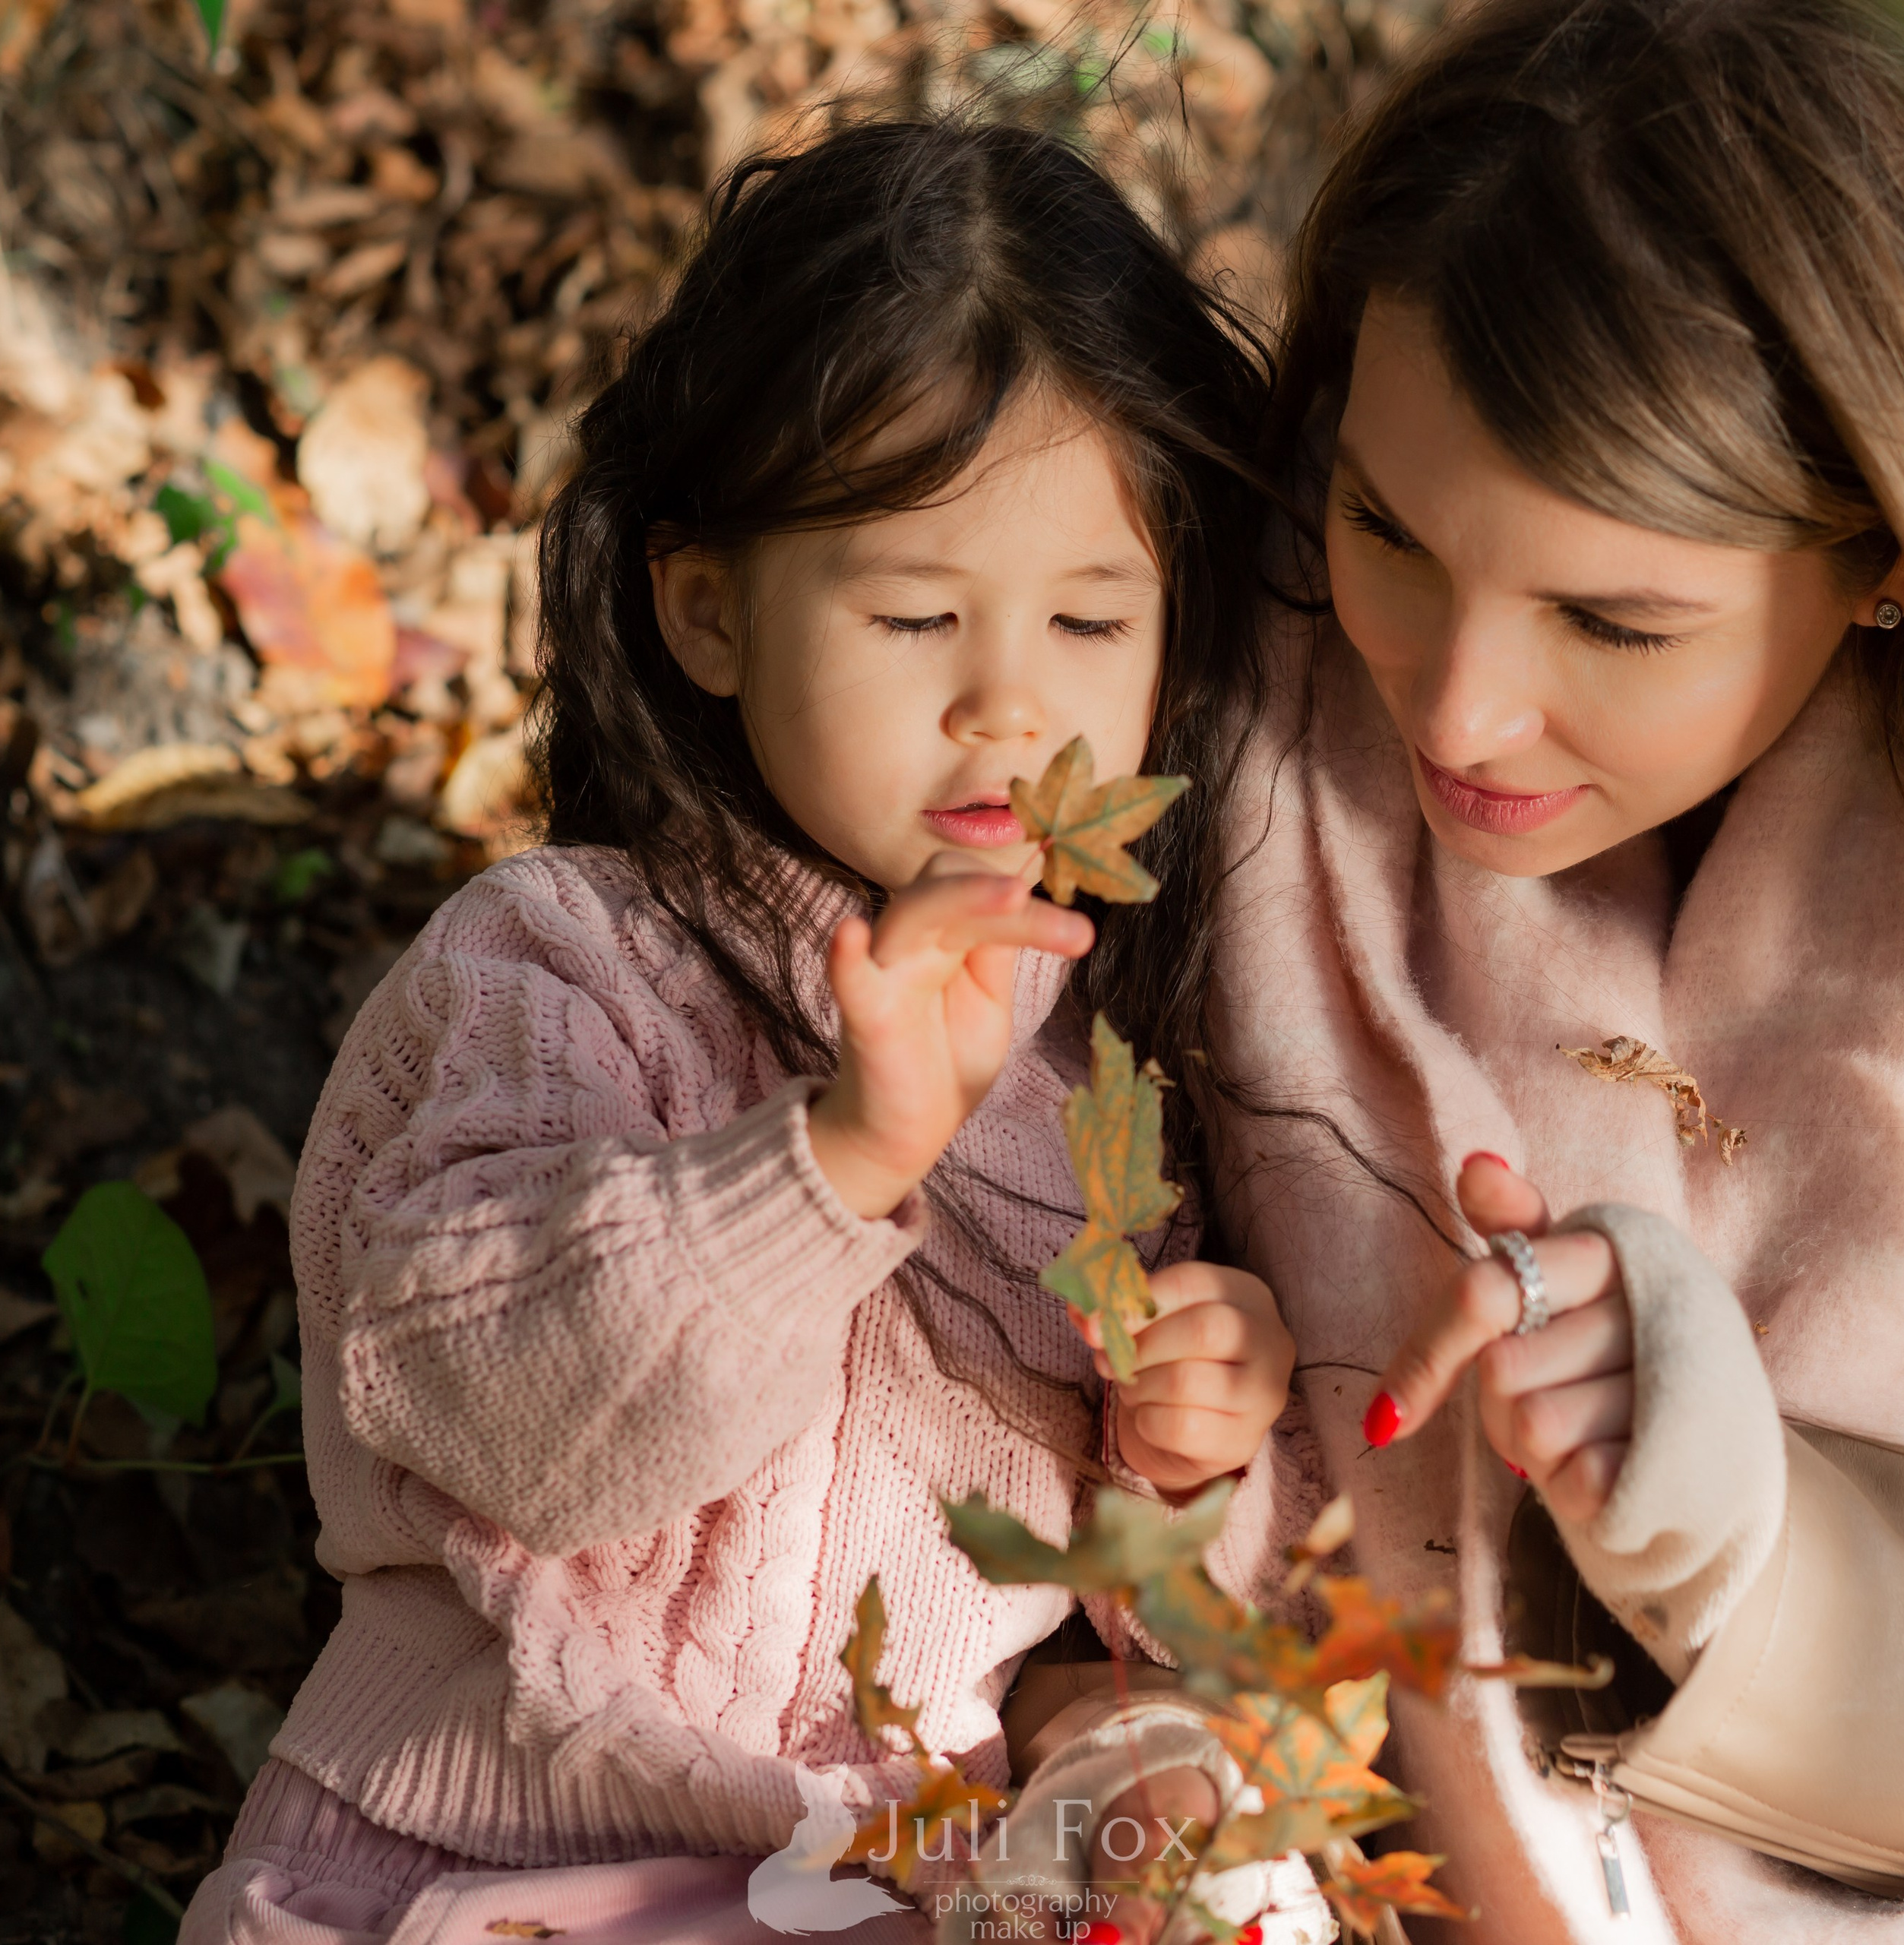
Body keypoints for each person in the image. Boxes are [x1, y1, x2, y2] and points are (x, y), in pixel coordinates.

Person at [182, 120, 1323, 1945]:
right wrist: (834, 1160)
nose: (1007, 703)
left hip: (889, 1881)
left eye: (1090, 619)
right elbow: (497, 1410)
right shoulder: (559, 962)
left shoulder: (1109, 1091)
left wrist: (1192, 1448)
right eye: (913, 611)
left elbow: (1102, 1632)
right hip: (486, 1855)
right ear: (708, 611)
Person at [1219, 1, 1904, 1939]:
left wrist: (1741, 1543)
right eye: (1384, 523)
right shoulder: (1219, 684)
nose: (1455, 705)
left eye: (1613, 620)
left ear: (1878, 547)